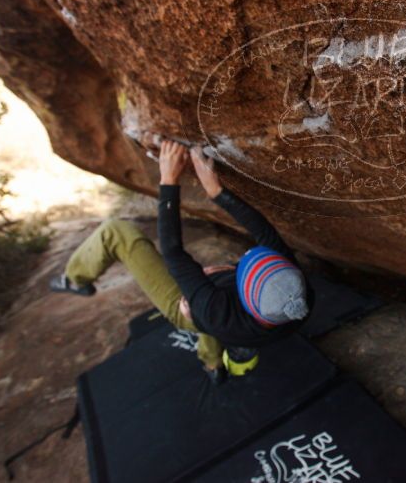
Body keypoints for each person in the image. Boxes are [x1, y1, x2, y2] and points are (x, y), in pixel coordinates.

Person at [50, 140, 312, 382]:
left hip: (200, 312)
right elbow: (264, 232)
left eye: (242, 269)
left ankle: (75, 279)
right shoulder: (295, 290)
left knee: (117, 232)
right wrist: (217, 192)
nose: (243, 257)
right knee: (212, 314)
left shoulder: (216, 310)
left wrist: (168, 179)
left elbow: (174, 252)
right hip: (229, 316)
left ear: (239, 295)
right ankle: (214, 363)